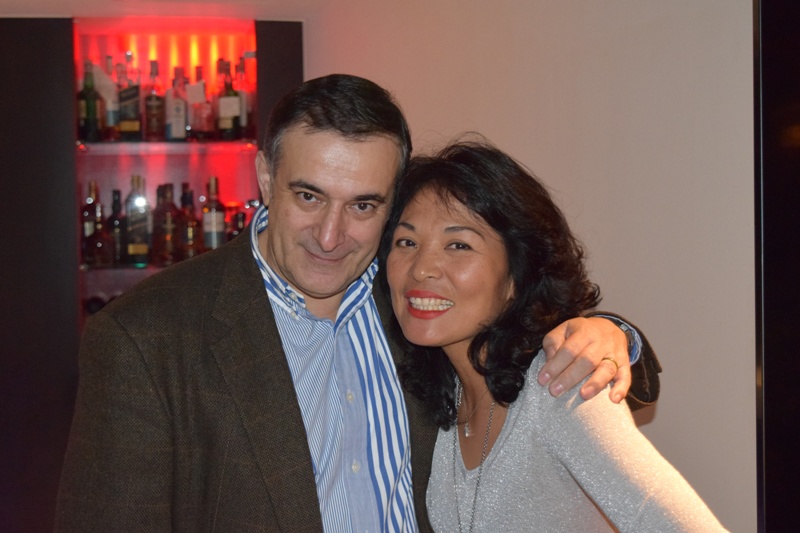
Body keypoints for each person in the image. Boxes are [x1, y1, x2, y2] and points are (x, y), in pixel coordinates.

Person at [55, 75, 660, 532]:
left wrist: (610, 334)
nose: (331, 235)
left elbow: (526, 344)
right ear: (265, 176)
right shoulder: (144, 338)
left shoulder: (417, 301)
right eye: (309, 196)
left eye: (364, 205)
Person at [382, 139, 725, 532]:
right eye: (407, 242)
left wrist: (616, 333)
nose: (421, 268)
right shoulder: (448, 394)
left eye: (458, 245)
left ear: (517, 274)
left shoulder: (557, 384)